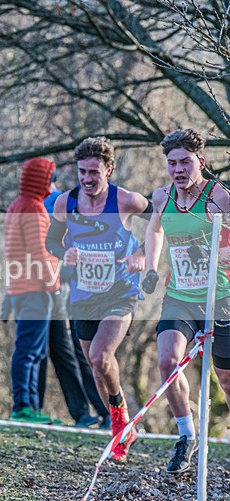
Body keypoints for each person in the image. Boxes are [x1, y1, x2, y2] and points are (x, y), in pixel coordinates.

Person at [46, 137, 150, 461]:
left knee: (101, 357)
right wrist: (67, 252)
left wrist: (143, 253)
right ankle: (123, 425)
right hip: (83, 295)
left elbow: (163, 224)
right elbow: (52, 242)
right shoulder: (67, 202)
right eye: (82, 172)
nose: (88, 179)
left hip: (121, 291)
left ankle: (119, 422)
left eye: (94, 172)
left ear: (109, 169)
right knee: (95, 368)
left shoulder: (127, 201)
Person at [143, 128, 230, 474]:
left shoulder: (218, 197)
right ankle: (186, 435)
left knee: (225, 377)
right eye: (172, 163)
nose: (178, 169)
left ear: (201, 162)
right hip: (180, 296)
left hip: (221, 297)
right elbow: (154, 230)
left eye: (185, 162)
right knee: (167, 360)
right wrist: (151, 266)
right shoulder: (162, 197)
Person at [39, 172, 109, 428]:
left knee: (80, 352)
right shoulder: (36, 203)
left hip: (67, 285)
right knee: (58, 352)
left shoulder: (62, 202)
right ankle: (82, 413)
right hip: (44, 286)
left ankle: (106, 410)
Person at [4, 157, 60, 424]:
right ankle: (24, 406)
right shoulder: (35, 209)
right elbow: (41, 252)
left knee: (33, 350)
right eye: (50, 177)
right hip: (36, 289)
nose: (52, 183)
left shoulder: (16, 206)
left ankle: (33, 407)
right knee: (29, 350)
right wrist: (54, 285)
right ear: (41, 179)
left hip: (18, 288)